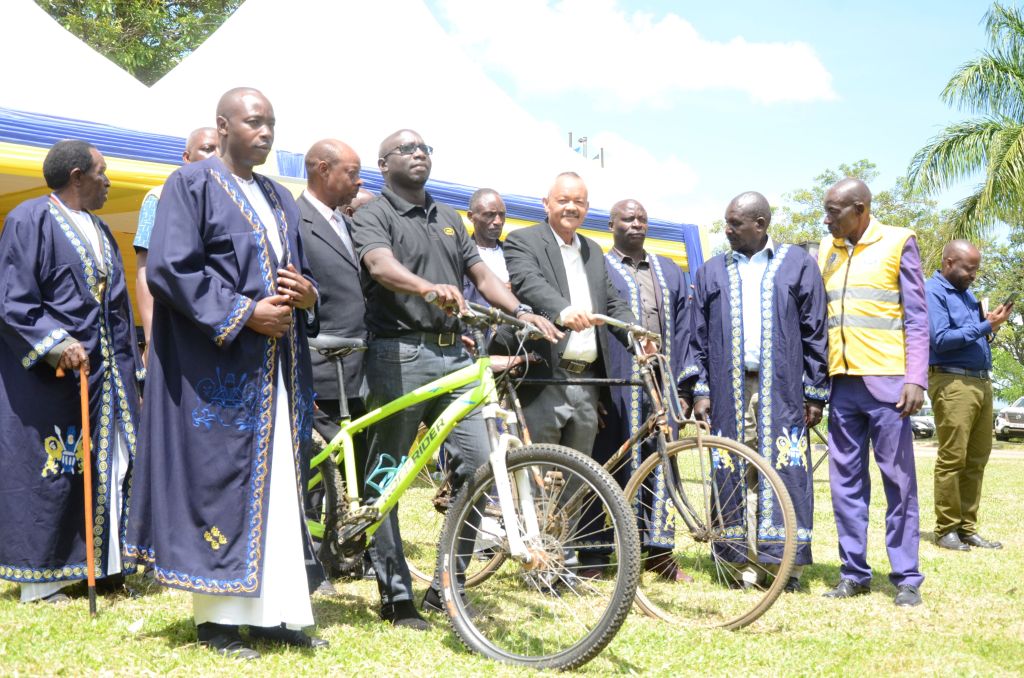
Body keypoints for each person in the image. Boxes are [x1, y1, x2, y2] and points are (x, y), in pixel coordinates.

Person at [122, 88, 326, 659]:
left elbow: (297, 272)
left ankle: (275, 611)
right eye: (253, 121)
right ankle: (216, 619)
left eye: (271, 123)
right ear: (224, 125)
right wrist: (244, 313)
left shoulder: (280, 197)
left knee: (280, 487)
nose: (265, 132)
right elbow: (170, 268)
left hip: (277, 372)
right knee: (219, 487)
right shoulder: (190, 185)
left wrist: (307, 294)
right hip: (217, 371)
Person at [351, 129, 559, 629]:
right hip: (397, 353)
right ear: (383, 163)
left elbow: (483, 276)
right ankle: (395, 595)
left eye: (425, 148)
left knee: (480, 466)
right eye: (407, 149)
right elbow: (379, 265)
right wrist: (428, 289)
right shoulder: (372, 213)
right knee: (390, 474)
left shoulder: (447, 216)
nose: (419, 154)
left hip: (456, 358)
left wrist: (521, 311)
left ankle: (449, 582)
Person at [0, 140, 143, 603]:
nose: (109, 182)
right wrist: (56, 344)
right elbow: (13, 300)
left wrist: (129, 365)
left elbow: (115, 309)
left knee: (109, 464)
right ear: (78, 175)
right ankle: (42, 579)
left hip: (105, 376)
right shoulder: (30, 218)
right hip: (51, 379)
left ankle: (104, 566)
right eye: (103, 172)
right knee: (52, 469)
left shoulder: (99, 228)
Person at [684, 191, 829, 592]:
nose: (726, 230)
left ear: (760, 224)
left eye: (734, 223)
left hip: (783, 388)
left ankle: (785, 570)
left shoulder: (798, 264)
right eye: (726, 222)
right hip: (729, 388)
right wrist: (700, 390)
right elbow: (695, 335)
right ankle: (738, 566)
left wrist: (814, 392)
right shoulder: (711, 271)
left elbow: (814, 328)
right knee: (731, 471)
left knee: (786, 472)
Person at [818, 177, 928, 607]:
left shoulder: (899, 242)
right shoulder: (827, 249)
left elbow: (918, 318)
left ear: (860, 209)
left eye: (834, 212)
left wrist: (915, 377)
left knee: (899, 484)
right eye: (825, 211)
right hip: (842, 385)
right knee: (845, 483)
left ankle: (906, 576)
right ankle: (854, 573)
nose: (827, 219)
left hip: (889, 387)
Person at [503, 172, 643, 455]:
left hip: (588, 384)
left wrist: (636, 335)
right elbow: (527, 281)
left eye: (578, 201)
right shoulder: (523, 240)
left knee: (577, 482)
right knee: (534, 476)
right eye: (563, 200)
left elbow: (611, 301)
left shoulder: (592, 250)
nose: (571, 207)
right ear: (546, 203)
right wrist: (562, 310)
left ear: (587, 208)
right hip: (544, 379)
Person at [593, 198, 691, 581]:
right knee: (608, 465)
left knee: (663, 465)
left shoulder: (668, 270)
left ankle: (658, 552)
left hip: (660, 383)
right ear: (611, 224)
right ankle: (599, 554)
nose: (636, 224)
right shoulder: (598, 266)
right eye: (627, 218)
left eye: (641, 219)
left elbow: (684, 328)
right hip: (616, 384)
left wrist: (683, 386)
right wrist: (595, 391)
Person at [296, 139, 370, 588]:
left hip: (358, 367)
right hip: (319, 361)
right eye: (351, 171)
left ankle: (342, 554)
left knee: (348, 468)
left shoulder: (348, 221)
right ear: (323, 169)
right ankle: (308, 563)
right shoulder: (295, 219)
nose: (358, 181)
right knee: (311, 472)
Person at [926, 240, 1009, 551]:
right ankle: (945, 528)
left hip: (980, 383)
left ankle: (966, 527)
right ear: (949, 263)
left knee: (976, 458)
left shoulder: (968, 294)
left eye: (976, 269)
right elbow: (941, 339)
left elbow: (975, 334)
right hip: (952, 381)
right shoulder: (932, 291)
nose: (974, 275)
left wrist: (992, 327)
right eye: (969, 269)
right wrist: (985, 324)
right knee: (953, 458)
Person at [133, 127, 218, 352]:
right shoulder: (159, 197)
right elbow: (145, 267)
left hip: (225, 324)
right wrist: (151, 336)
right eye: (207, 149)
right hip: (176, 325)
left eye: (220, 149)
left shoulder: (240, 202)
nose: (214, 156)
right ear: (186, 158)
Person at [463, 188, 509, 305]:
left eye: (502, 215)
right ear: (471, 216)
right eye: (490, 215)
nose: (498, 221)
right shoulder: (460, 255)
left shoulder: (514, 255)